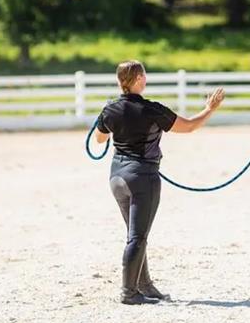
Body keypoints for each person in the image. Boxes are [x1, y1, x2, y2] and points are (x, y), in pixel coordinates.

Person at [94, 60, 225, 305]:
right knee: (137, 237)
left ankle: (144, 285)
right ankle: (129, 292)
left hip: (117, 178)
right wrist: (210, 109)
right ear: (139, 79)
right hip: (142, 178)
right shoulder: (152, 109)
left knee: (135, 234)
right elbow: (189, 127)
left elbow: (100, 140)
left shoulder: (109, 108)